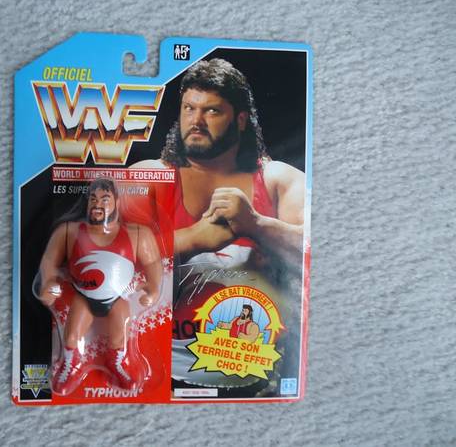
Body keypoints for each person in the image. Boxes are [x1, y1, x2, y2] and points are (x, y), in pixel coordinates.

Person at [132, 58, 305, 394]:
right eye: (189, 108)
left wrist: (257, 225)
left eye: (211, 111)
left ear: (240, 119)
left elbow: (315, 253)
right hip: (155, 371)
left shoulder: (277, 180)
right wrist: (192, 239)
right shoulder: (149, 176)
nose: (196, 121)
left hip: (255, 374)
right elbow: (101, 258)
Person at [38, 178, 162, 395]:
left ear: (117, 203)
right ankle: (70, 365)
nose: (98, 205)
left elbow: (152, 262)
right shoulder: (69, 231)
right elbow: (49, 260)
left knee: (119, 336)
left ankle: (118, 364)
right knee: (71, 337)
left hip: (117, 298)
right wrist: (48, 282)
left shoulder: (137, 234)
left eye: (105, 199)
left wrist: (153, 288)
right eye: (93, 199)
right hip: (83, 297)